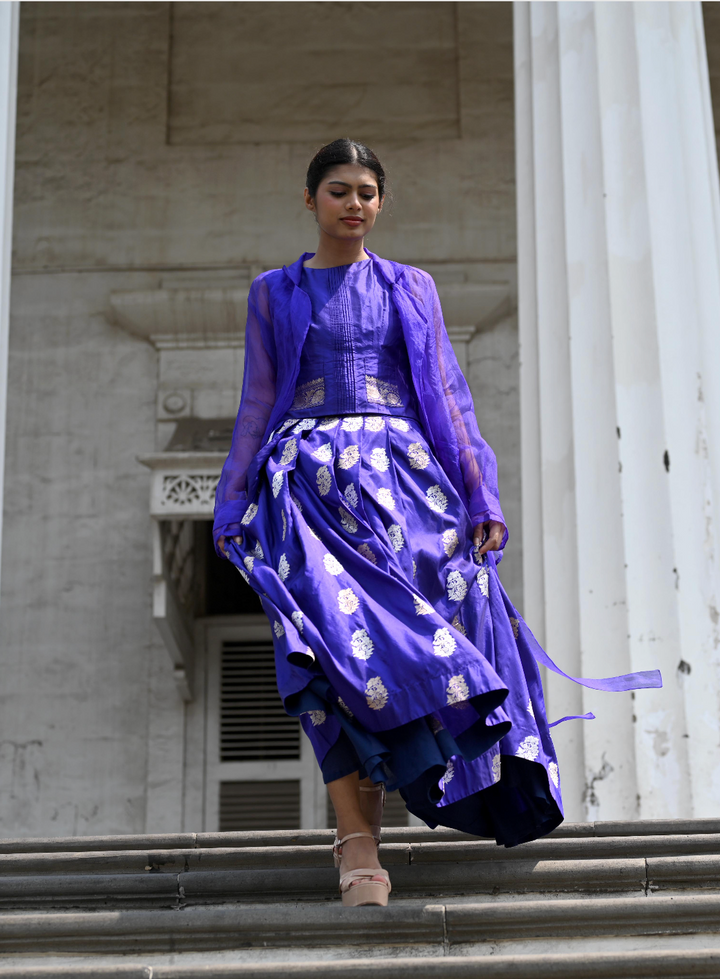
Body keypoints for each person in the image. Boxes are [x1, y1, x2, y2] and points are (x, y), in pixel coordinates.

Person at [213, 138, 661, 908]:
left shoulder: (410, 286)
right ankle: (357, 840)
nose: (354, 203)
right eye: (338, 189)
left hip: (404, 486)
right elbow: (258, 401)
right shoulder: (273, 292)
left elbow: (447, 395)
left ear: (380, 203)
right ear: (310, 199)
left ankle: (425, 789)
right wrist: (230, 503)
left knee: (404, 651)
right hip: (309, 488)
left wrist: (480, 492)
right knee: (328, 656)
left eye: (367, 191)